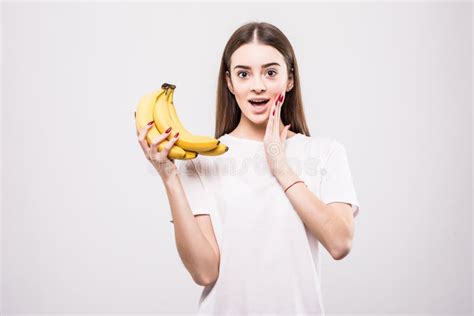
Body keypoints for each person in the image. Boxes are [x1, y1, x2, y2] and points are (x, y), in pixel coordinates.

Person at [136, 21, 360, 316]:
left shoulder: (325, 153)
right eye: (244, 74)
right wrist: (169, 177)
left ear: (290, 79)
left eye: (271, 72)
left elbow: (339, 242)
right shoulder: (202, 161)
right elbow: (204, 272)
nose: (258, 85)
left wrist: (281, 168)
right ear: (229, 82)